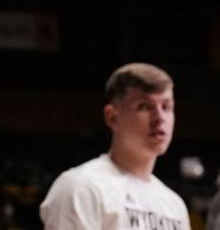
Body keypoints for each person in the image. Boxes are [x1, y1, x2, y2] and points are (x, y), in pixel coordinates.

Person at [40, 63, 191, 229]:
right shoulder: (81, 187)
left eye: (166, 107)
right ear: (112, 118)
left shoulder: (175, 206)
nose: (160, 118)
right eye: (145, 106)